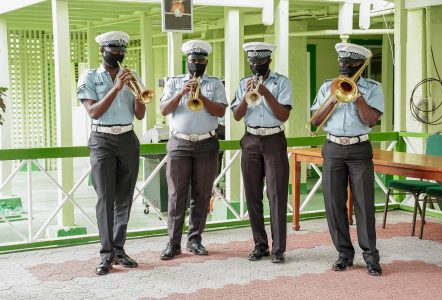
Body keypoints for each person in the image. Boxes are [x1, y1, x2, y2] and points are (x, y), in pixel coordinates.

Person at [310, 42, 384, 276]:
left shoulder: (373, 88)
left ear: (360, 65)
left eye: (350, 64)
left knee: (364, 204)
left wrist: (358, 98)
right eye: (342, 64)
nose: (344, 68)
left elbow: (371, 120)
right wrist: (333, 99)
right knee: (333, 204)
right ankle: (344, 254)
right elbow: (314, 122)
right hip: (333, 147)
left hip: (359, 148)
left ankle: (371, 256)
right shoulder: (327, 87)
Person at [77, 31, 146, 275]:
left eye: (121, 51)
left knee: (124, 198)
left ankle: (119, 249)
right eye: (113, 50)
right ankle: (106, 255)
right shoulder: (89, 77)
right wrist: (117, 88)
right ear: (102, 51)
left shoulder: (132, 75)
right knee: (106, 198)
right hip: (102, 139)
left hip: (127, 137)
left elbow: (140, 114)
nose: (117, 55)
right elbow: (94, 112)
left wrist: (139, 94)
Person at [159, 40, 228, 260]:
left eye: (200, 60)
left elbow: (220, 111)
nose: (196, 63)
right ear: (186, 61)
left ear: (206, 61)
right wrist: (181, 93)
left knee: (202, 194)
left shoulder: (215, 84)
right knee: (176, 195)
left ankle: (195, 240)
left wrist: (201, 96)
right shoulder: (174, 82)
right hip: (179, 143)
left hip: (207, 143)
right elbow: (163, 109)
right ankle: (173, 243)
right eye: (192, 60)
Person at [231, 42, 292, 263]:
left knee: (276, 195)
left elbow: (283, 115)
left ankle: (278, 249)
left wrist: (265, 93)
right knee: (252, 195)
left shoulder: (282, 82)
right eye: (252, 62)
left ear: (269, 61)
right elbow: (237, 116)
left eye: (259, 62)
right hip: (250, 139)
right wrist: (247, 96)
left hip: (274, 139)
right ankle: (260, 245)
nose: (255, 66)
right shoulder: (242, 84)